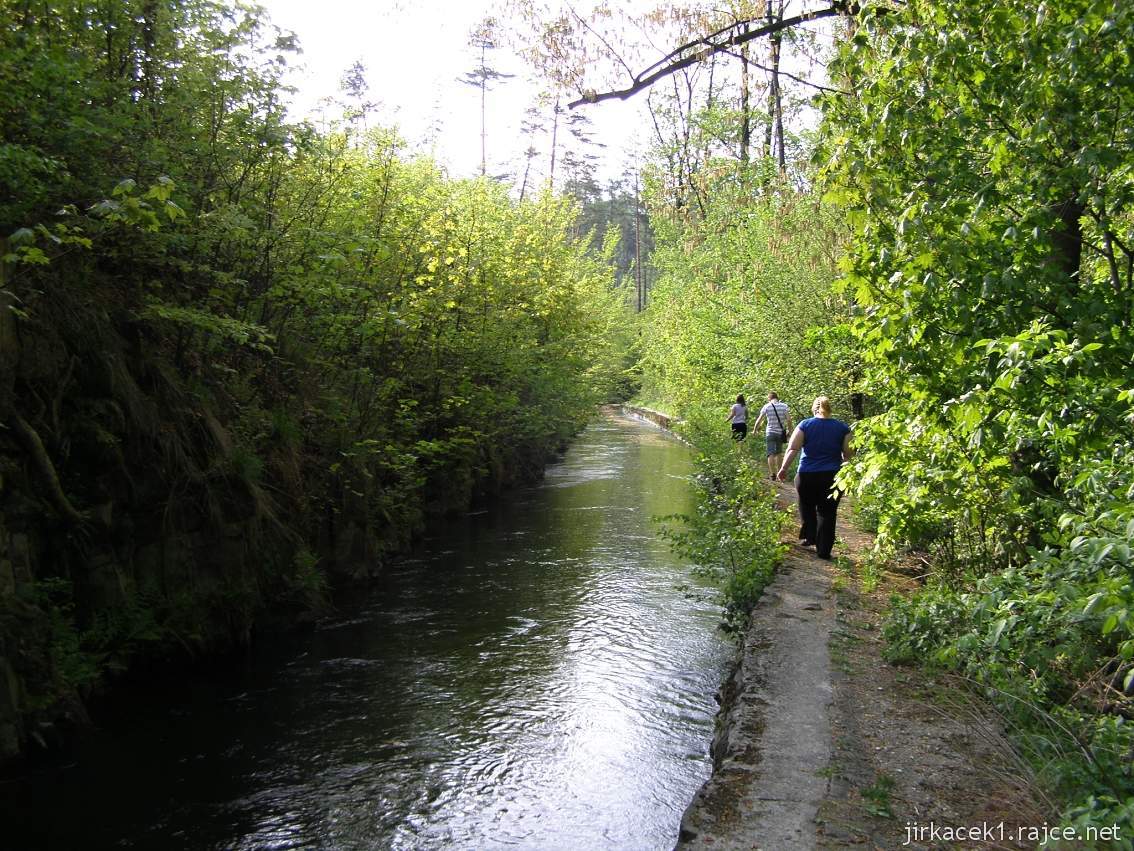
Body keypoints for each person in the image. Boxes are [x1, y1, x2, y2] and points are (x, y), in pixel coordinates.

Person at [776, 396, 853, 561]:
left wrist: (783, 469)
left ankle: (810, 536)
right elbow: (848, 455)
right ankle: (824, 550)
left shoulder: (805, 425)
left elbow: (793, 448)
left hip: (806, 475)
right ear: (829, 408)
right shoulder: (843, 428)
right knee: (828, 512)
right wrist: (848, 477)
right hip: (833, 476)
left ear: (814, 409)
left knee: (806, 505)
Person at [752, 392, 793, 480]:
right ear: (777, 398)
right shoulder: (784, 406)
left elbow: (759, 420)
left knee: (770, 453)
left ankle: (772, 474)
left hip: (770, 432)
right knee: (778, 453)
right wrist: (790, 431)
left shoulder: (766, 406)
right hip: (780, 433)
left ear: (769, 398)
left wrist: (754, 430)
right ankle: (780, 475)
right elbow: (789, 420)